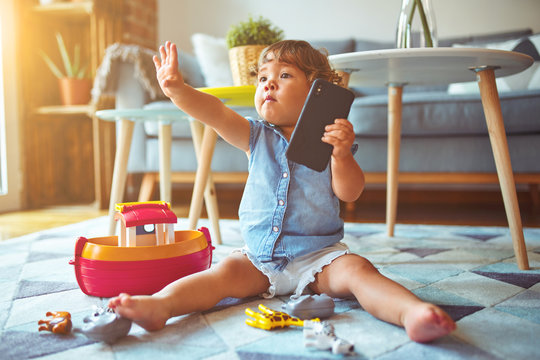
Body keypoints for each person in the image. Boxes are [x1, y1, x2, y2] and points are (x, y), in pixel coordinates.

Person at [109, 40, 456, 343]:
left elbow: (350, 192)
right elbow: (213, 112)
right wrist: (176, 89)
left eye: (284, 76)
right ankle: (161, 306)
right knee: (219, 276)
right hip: (259, 258)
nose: (269, 84)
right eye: (262, 78)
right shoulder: (254, 136)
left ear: (317, 91)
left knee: (359, 270)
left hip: (319, 257)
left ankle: (412, 312)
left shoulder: (331, 142)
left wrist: (342, 155)